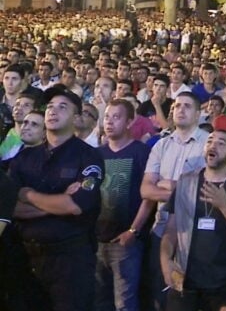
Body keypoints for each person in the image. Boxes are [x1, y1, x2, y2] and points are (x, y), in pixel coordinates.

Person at [8, 86, 104, 311]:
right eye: (50, 106)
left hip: (70, 261)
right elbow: (9, 206)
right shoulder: (25, 157)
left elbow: (75, 205)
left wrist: (28, 195)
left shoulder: (88, 156)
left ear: (77, 117)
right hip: (25, 258)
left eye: (63, 107)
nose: (53, 111)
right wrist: (56, 203)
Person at [160, 130, 226, 310]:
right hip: (185, 280)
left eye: (221, 143)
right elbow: (171, 229)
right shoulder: (185, 182)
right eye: (209, 141)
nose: (213, 145)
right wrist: (165, 260)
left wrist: (224, 206)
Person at [142, 91, 211, 311]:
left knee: (190, 299)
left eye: (187, 106)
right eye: (177, 105)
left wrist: (167, 185)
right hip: (162, 229)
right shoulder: (161, 145)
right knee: (161, 295)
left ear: (199, 114)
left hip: (196, 233)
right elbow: (146, 190)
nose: (180, 110)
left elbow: (207, 191)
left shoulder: (209, 144)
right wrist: (180, 189)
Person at [96, 98, 156, 311]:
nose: (109, 122)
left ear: (130, 122)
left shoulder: (141, 153)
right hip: (97, 239)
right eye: (107, 117)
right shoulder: (97, 154)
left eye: (116, 117)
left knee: (125, 303)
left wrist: (133, 230)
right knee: (99, 301)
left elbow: (149, 198)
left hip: (126, 241)